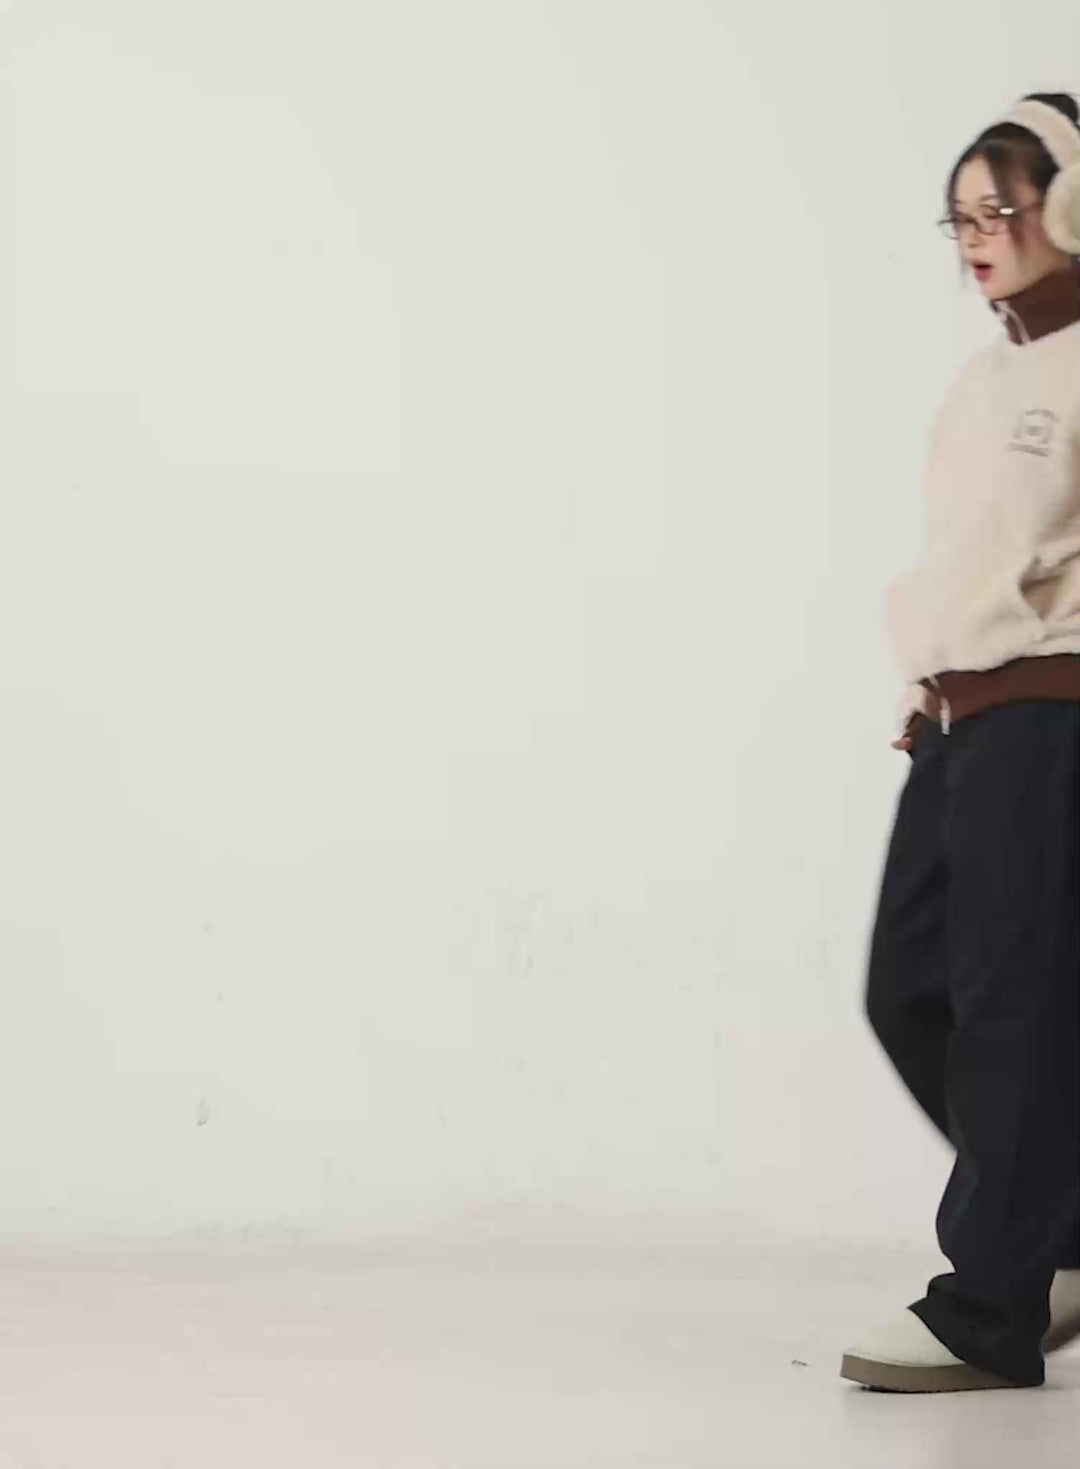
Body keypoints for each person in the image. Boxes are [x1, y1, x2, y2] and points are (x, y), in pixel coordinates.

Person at [840, 93, 1080, 1393]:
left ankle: (990, 1306)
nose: (979, 234)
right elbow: (955, 562)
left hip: (1052, 712)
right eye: (962, 215)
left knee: (1007, 1008)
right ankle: (1062, 1227)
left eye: (1005, 206)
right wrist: (921, 684)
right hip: (958, 716)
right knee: (908, 986)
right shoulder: (983, 382)